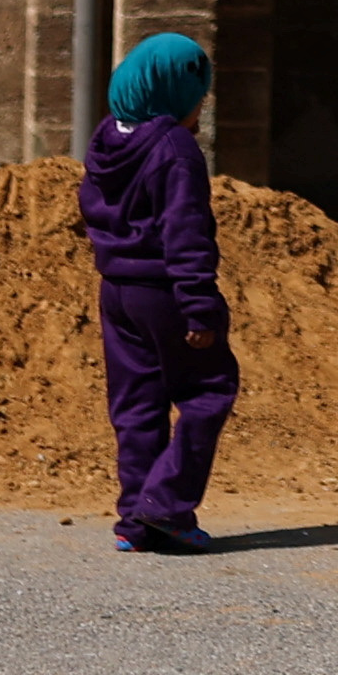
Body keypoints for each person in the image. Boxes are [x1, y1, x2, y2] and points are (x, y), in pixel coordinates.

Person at [82, 29, 239, 552]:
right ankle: (165, 507)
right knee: (209, 389)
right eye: (199, 97)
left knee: (137, 404)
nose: (201, 108)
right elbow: (185, 230)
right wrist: (199, 306)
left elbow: (93, 206)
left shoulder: (108, 137)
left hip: (117, 291)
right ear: (174, 91)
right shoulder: (176, 149)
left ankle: (134, 520)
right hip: (166, 291)